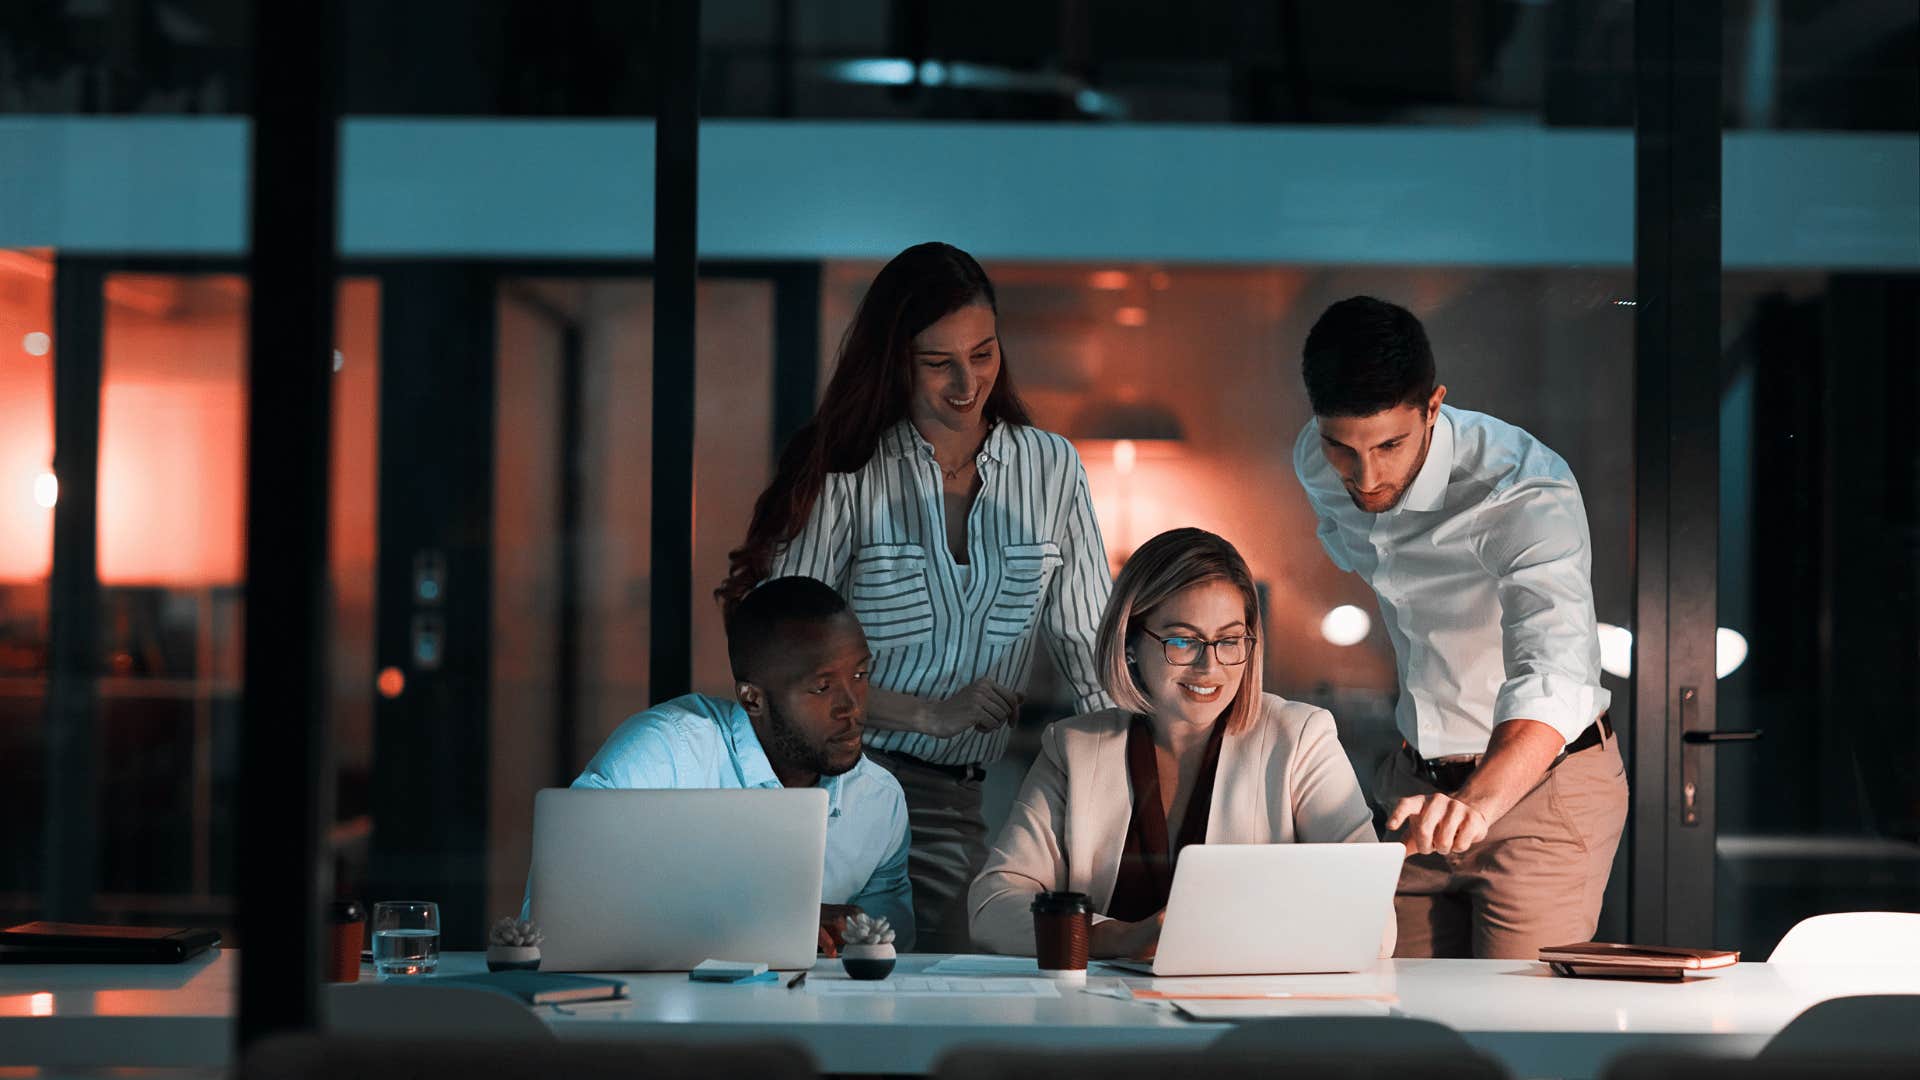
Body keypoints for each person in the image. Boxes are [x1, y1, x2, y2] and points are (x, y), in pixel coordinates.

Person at [718, 242, 1112, 952]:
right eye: (939, 364)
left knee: (952, 983)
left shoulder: (1051, 467)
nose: (967, 384)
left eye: (984, 355)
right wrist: (929, 712)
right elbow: (782, 663)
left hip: (957, 796)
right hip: (835, 785)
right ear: (895, 361)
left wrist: (1138, 782)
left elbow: (1094, 654)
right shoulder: (846, 469)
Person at [1291, 295, 1627, 960]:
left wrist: (1480, 799)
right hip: (1415, 791)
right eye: (1342, 446)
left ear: (1434, 407)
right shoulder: (1315, 464)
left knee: (1516, 1031)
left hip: (1541, 791)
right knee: (1393, 1015)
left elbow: (1554, 671)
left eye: (1390, 444)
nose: (1367, 476)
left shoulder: (1524, 489)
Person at [968, 528, 1388, 959]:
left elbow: (1374, 922)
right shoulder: (1073, 747)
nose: (1210, 667)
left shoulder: (1301, 738)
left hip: (1249, 1008)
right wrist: (1114, 938)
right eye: (1183, 641)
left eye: (1228, 641)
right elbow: (993, 905)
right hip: (1104, 1013)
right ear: (1130, 642)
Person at [562, 576, 912, 953]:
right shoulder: (663, 755)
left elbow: (884, 958)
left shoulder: (879, 802)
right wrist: (767, 923)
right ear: (752, 699)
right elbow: (562, 912)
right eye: (821, 687)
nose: (852, 707)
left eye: (860, 675)